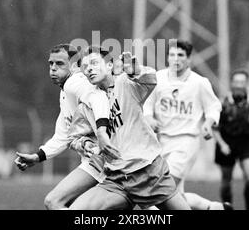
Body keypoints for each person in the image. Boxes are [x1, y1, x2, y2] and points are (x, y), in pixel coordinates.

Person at [69, 46, 191, 210]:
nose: (89, 68)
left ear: (110, 65)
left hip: (147, 171)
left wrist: (136, 70)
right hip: (117, 178)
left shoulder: (125, 83)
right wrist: (84, 144)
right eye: (85, 67)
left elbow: (150, 80)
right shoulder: (87, 104)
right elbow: (74, 138)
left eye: (94, 63)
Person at [13, 44, 116, 210]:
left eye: (60, 64)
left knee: (55, 201)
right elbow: (64, 134)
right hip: (95, 162)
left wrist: (102, 133)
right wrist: (38, 157)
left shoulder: (75, 83)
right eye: (51, 63)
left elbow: (98, 98)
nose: (53, 68)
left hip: (106, 160)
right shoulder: (66, 92)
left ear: (75, 66)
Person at [144, 39, 231, 210]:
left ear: (189, 59)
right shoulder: (158, 78)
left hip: (186, 142)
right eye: (172, 55)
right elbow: (147, 104)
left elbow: (214, 107)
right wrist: (149, 118)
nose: (176, 59)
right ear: (168, 57)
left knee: (160, 191)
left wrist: (208, 123)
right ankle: (217, 208)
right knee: (176, 195)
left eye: (181, 55)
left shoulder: (199, 83)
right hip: (161, 143)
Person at [213, 69, 249, 210]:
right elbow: (215, 128)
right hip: (226, 144)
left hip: (246, 143)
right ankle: (228, 207)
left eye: (242, 82)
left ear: (246, 84)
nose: (238, 85)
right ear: (231, 83)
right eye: (236, 81)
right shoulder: (222, 104)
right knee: (226, 181)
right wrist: (222, 144)